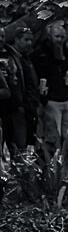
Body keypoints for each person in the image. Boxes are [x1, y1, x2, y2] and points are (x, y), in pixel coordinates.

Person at [32, 21, 68, 142]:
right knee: (53, 137)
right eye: (57, 36)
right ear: (50, 37)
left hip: (66, 99)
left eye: (62, 37)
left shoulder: (66, 52)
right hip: (51, 101)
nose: (60, 40)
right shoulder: (40, 53)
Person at [10, 27, 39, 147]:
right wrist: (20, 105)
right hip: (18, 108)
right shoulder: (11, 58)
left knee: (28, 143)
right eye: (26, 39)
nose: (29, 43)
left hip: (29, 107)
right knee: (18, 143)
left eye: (31, 40)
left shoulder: (26, 58)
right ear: (16, 39)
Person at [0, 27, 27, 156]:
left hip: (15, 108)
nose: (0, 39)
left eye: (2, 36)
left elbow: (21, 79)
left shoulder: (12, 55)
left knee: (18, 148)